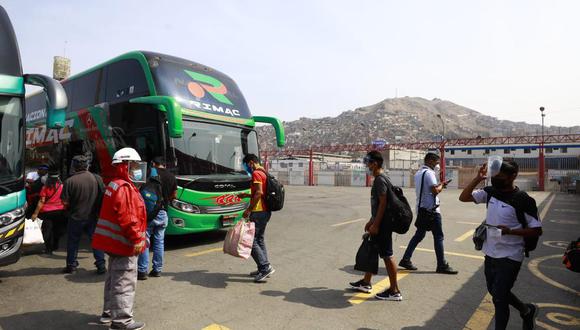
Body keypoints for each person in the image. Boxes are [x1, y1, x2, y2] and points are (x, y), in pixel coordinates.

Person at [459, 161, 542, 330]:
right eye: (494, 175)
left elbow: (536, 230)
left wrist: (510, 231)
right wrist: (477, 179)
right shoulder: (491, 192)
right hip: (490, 252)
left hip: (511, 255)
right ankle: (526, 310)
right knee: (495, 291)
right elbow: (464, 197)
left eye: (500, 176)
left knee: (499, 298)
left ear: (513, 176)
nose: (496, 179)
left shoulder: (524, 200)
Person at [92, 147, 148, 330]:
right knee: (124, 281)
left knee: (113, 278)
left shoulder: (115, 184)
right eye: (134, 166)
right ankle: (122, 321)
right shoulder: (124, 188)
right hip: (124, 244)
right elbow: (129, 218)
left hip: (113, 244)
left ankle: (108, 313)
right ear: (125, 166)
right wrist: (137, 238)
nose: (137, 170)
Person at [349, 151, 402, 301]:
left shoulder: (380, 180)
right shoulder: (383, 178)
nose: (367, 165)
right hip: (380, 222)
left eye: (368, 162)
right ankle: (366, 282)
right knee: (373, 250)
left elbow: (383, 203)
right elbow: (379, 204)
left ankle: (394, 290)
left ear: (375, 163)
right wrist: (371, 221)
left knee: (387, 255)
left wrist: (376, 224)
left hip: (383, 225)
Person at [399, 152, 458, 274]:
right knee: (439, 237)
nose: (437, 165)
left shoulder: (419, 173)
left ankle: (406, 259)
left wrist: (440, 185)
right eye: (436, 162)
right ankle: (441, 265)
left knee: (419, 235)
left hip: (421, 209)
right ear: (430, 161)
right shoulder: (430, 173)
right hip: (432, 211)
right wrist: (442, 185)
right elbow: (435, 191)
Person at [60, 155, 106, 274]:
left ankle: (71, 266)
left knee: (73, 242)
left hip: (76, 217)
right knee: (96, 241)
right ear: (87, 165)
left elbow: (64, 203)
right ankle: (101, 265)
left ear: (74, 166)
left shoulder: (69, 181)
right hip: (93, 217)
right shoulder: (96, 178)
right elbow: (103, 196)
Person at [237, 154, 275, 283]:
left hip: (258, 211)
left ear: (251, 162)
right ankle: (264, 266)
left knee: (251, 241)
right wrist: (246, 195)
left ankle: (264, 268)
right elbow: (258, 191)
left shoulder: (256, 174)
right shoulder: (264, 172)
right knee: (259, 239)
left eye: (247, 165)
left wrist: (248, 210)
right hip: (265, 211)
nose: (247, 167)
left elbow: (259, 192)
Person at [137, 156, 176, 280]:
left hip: (148, 212)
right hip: (162, 212)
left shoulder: (148, 173)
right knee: (159, 241)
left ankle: (142, 271)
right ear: (164, 165)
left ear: (153, 163)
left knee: (145, 240)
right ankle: (157, 269)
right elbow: (173, 195)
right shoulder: (171, 176)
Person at [31, 168, 66, 255]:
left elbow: (42, 201)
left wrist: (35, 213)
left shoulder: (45, 187)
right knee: (57, 229)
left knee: (47, 230)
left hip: (47, 212)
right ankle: (55, 245)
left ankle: (48, 249)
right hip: (60, 211)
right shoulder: (62, 186)